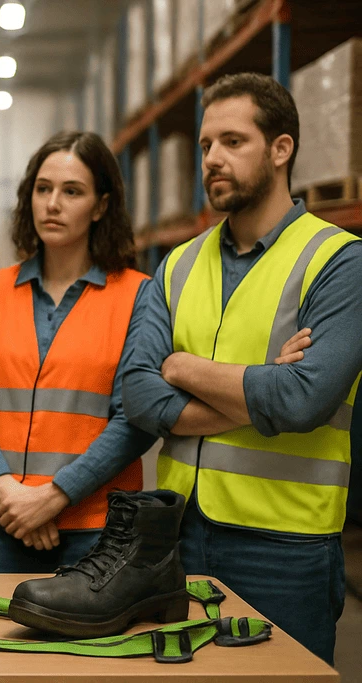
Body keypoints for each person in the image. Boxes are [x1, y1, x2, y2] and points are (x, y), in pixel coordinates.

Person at [122, 72, 362, 665]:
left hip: (286, 547)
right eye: (206, 146)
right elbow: (139, 397)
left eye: (233, 142)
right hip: (180, 537)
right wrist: (260, 388)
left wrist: (180, 366)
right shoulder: (177, 265)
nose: (212, 159)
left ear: (281, 149)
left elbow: (302, 402)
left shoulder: (338, 261)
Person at [0, 131, 157, 573]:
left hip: (96, 523)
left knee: (85, 644)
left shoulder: (138, 295)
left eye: (72, 191)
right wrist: (10, 493)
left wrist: (52, 497)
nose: (52, 203)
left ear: (101, 206)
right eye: (43, 189)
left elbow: (136, 418)